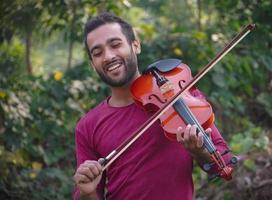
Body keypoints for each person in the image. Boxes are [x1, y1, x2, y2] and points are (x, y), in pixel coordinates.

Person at [73, 12, 233, 200]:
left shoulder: (178, 94)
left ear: (135, 45)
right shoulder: (88, 126)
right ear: (93, 64)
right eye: (98, 53)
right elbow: (90, 195)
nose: (108, 56)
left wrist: (200, 152)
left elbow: (225, 161)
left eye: (115, 45)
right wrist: (87, 192)